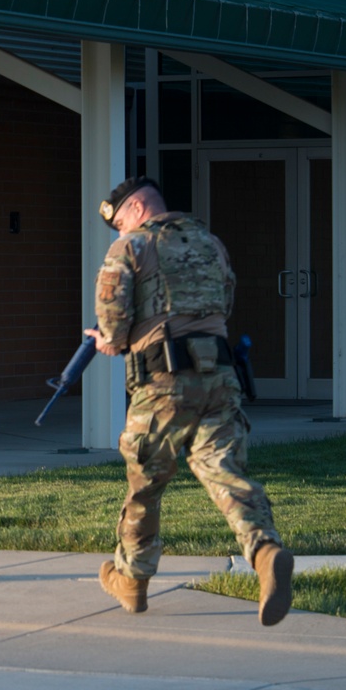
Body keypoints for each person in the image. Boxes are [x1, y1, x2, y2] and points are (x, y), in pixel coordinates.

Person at [85, 176, 293, 626]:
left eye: (121, 222)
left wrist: (108, 341)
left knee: (146, 482)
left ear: (138, 210)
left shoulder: (131, 248)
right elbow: (225, 302)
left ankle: (132, 579)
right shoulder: (211, 244)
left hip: (161, 384)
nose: (120, 232)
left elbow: (115, 322)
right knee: (223, 470)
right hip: (220, 377)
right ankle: (265, 551)